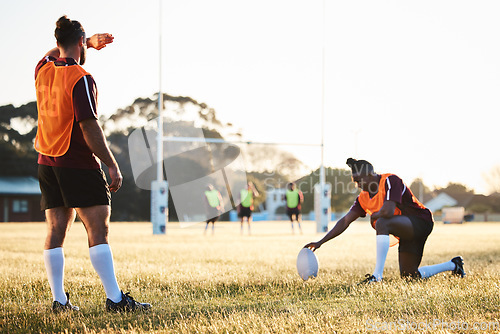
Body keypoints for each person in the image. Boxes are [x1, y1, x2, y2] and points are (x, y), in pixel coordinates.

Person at [35, 16, 150, 312]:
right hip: (76, 162)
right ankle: (115, 299)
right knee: (98, 226)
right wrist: (111, 163)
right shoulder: (81, 77)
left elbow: (52, 53)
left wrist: (86, 41)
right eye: (84, 43)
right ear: (79, 43)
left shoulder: (42, 69)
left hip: (47, 162)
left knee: (57, 228)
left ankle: (59, 301)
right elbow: (89, 127)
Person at [304, 158, 465, 283]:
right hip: (406, 230)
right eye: (355, 181)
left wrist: (374, 216)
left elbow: (387, 211)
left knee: (381, 222)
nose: (357, 184)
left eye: (359, 180)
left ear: (370, 174)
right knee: (409, 276)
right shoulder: (363, 197)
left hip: (420, 221)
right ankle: (454, 264)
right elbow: (345, 221)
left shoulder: (390, 180)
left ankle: (377, 276)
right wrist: (320, 242)